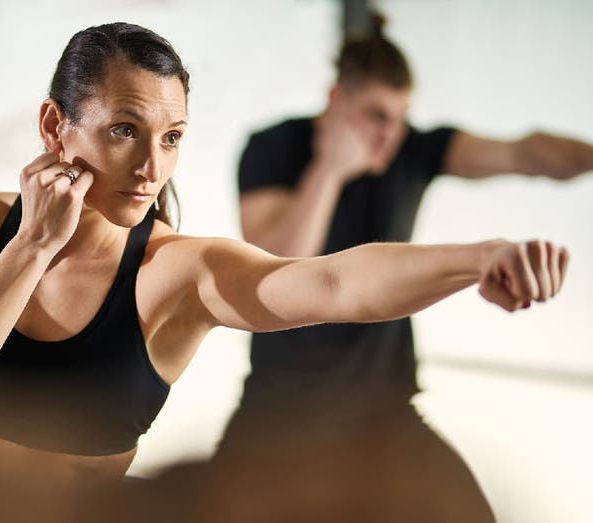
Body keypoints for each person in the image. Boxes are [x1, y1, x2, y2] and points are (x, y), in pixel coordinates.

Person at [0, 22, 567, 489]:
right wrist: (32, 245)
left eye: (172, 136)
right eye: (124, 130)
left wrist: (480, 256)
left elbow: (332, 283)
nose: (150, 165)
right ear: (53, 126)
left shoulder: (179, 273)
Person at [227, 12, 592, 520]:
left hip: (385, 409)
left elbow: (524, 152)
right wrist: (330, 168)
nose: (391, 135)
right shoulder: (273, 148)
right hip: (280, 412)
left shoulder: (413, 148)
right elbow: (279, 263)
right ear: (336, 99)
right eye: (376, 115)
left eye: (400, 118)